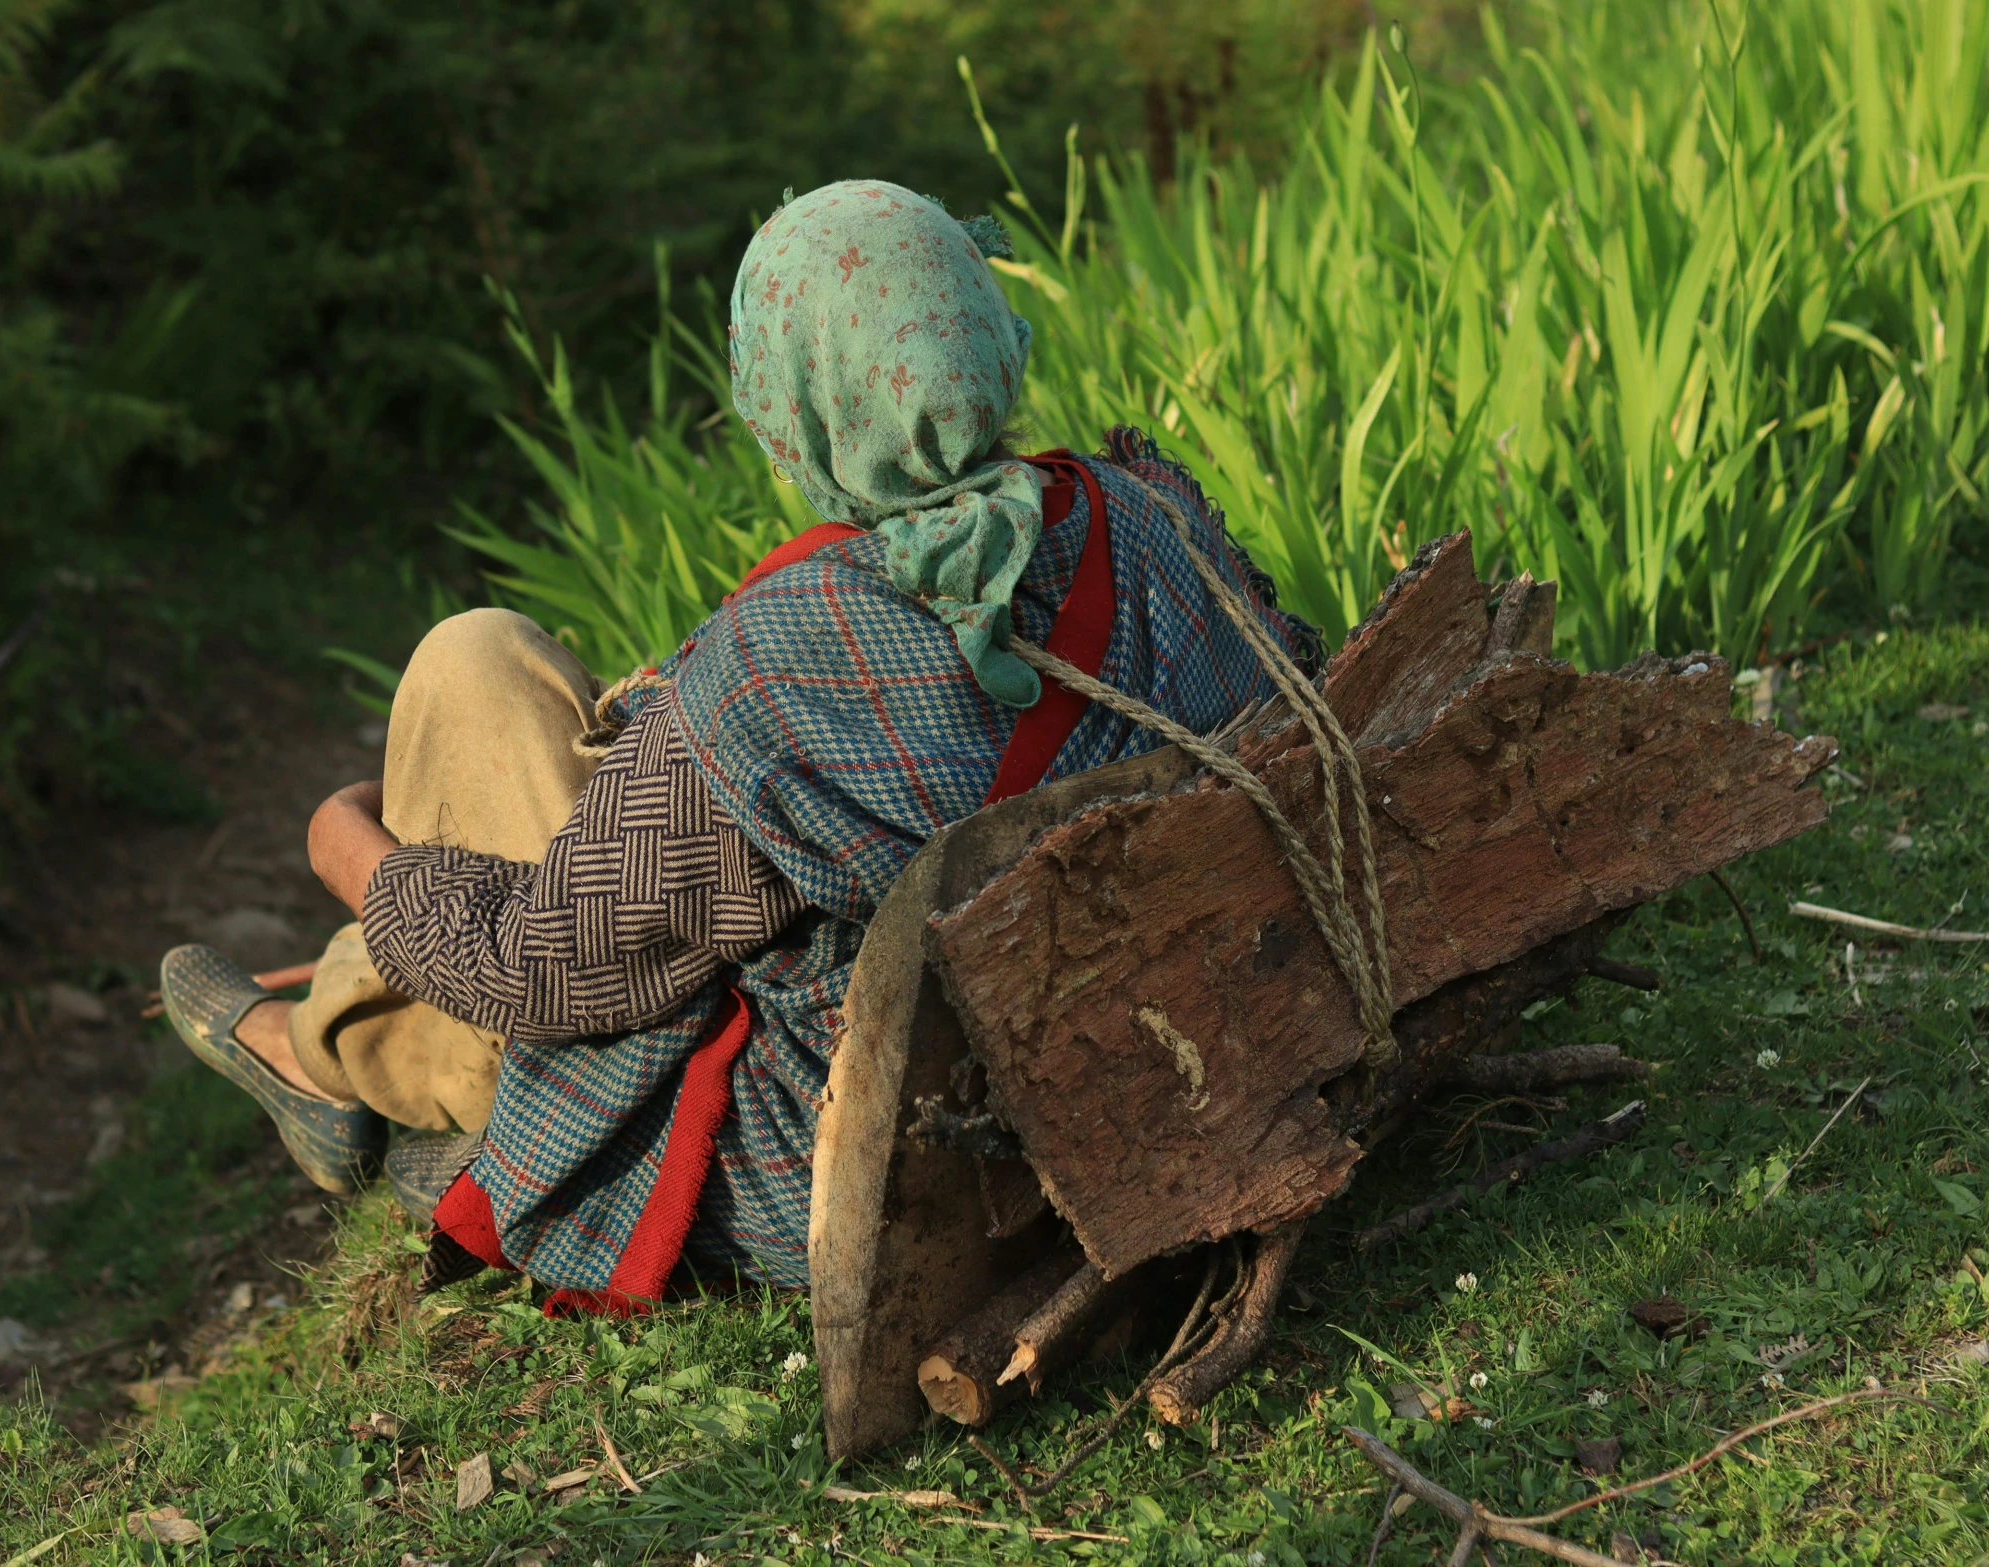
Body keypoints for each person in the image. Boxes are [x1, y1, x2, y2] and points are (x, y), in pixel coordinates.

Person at [160, 180, 1325, 1313]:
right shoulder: (1146, 518)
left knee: (473, 679)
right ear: (987, 341)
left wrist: (350, 852)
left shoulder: (780, 669)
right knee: (526, 719)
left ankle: (338, 1043)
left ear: (795, 407)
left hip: (906, 1140)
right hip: (1182, 1020)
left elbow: (543, 968)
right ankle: (340, 1017)